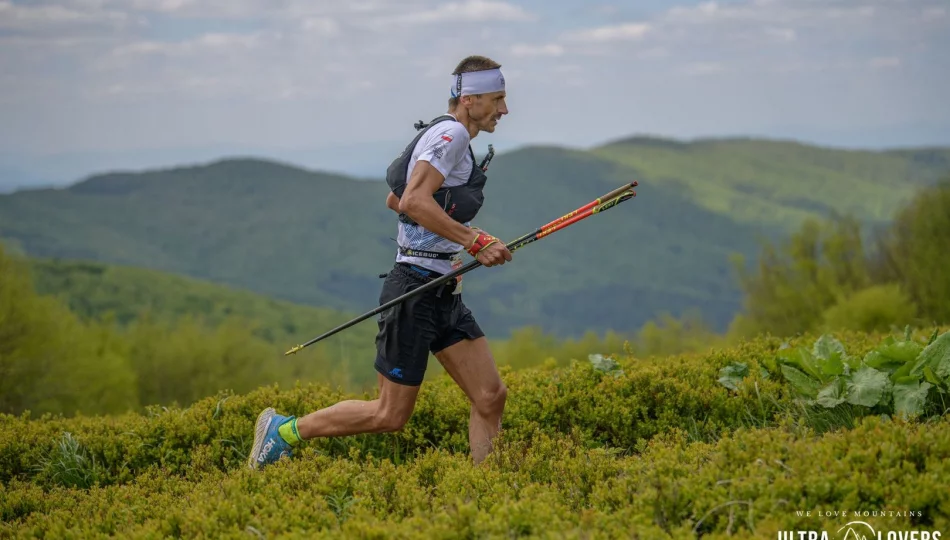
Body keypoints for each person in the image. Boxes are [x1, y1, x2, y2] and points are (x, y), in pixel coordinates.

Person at [248, 55, 512, 470]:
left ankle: (493, 489)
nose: (504, 109)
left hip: (441, 285)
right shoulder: (453, 137)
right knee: (389, 415)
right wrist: (473, 239)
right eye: (497, 99)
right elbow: (412, 201)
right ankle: (283, 430)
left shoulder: (444, 135)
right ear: (470, 98)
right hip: (414, 289)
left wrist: (447, 245)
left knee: (490, 396)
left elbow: (396, 201)